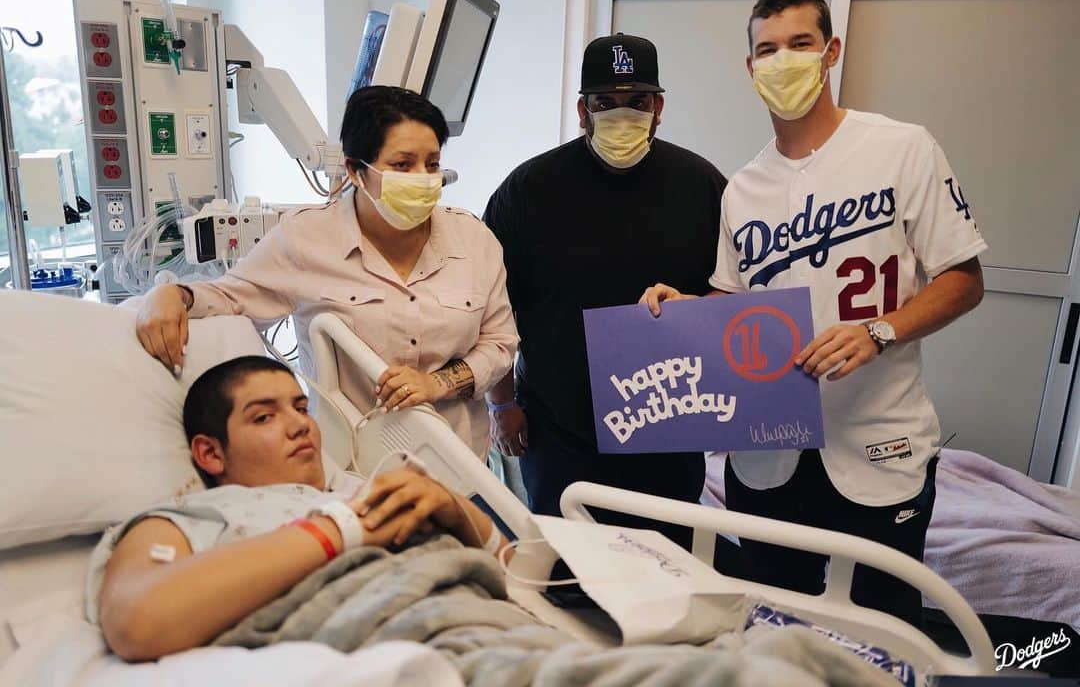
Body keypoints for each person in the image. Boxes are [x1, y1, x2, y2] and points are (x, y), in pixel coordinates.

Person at [640, 0, 986, 626]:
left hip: (878, 440)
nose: (783, 60)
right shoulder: (743, 187)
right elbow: (733, 302)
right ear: (750, 69)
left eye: (800, 44)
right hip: (768, 449)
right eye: (767, 49)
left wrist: (878, 331)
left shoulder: (901, 148)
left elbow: (964, 280)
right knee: (774, 619)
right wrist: (683, 308)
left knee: (883, 625)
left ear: (830, 51)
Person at [135, 86, 518, 460]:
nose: (422, 178)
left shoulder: (473, 241)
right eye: (402, 165)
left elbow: (500, 342)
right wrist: (174, 295)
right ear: (354, 170)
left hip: (459, 465)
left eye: (432, 164)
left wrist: (436, 384)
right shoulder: (306, 241)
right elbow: (230, 297)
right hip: (354, 469)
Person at [90, 356, 510, 662]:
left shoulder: (363, 488)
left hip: (480, 625)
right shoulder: (192, 516)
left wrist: (455, 509)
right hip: (390, 647)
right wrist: (342, 529)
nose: (299, 424)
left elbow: (519, 570)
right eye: (263, 417)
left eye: (301, 407)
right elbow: (136, 620)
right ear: (211, 453)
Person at [483, 34, 727, 550]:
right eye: (605, 103)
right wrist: (501, 406)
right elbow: (491, 309)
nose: (622, 116)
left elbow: (731, 297)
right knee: (566, 576)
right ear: (582, 110)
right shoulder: (528, 190)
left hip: (667, 423)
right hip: (559, 426)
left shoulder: (702, 186)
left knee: (664, 571)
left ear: (658, 107)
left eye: (637, 102)